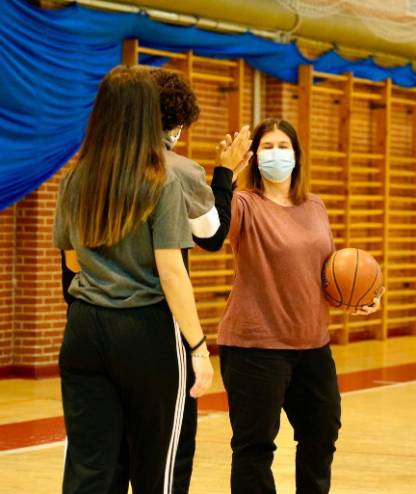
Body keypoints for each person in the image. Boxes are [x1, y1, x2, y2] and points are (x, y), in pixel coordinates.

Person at [59, 67, 251, 494]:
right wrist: (198, 347)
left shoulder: (75, 178)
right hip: (146, 329)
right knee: (160, 467)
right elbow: (171, 268)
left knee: (90, 470)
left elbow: (72, 262)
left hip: (84, 327)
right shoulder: (161, 179)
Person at [217, 118, 383, 494]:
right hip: (254, 346)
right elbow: (212, 230)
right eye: (267, 147)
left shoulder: (315, 206)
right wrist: (225, 177)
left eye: (284, 146)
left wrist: (355, 298)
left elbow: (322, 274)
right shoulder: (243, 204)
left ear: (297, 155)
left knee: (322, 434)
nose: (276, 154)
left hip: (312, 345)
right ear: (254, 157)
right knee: (255, 447)